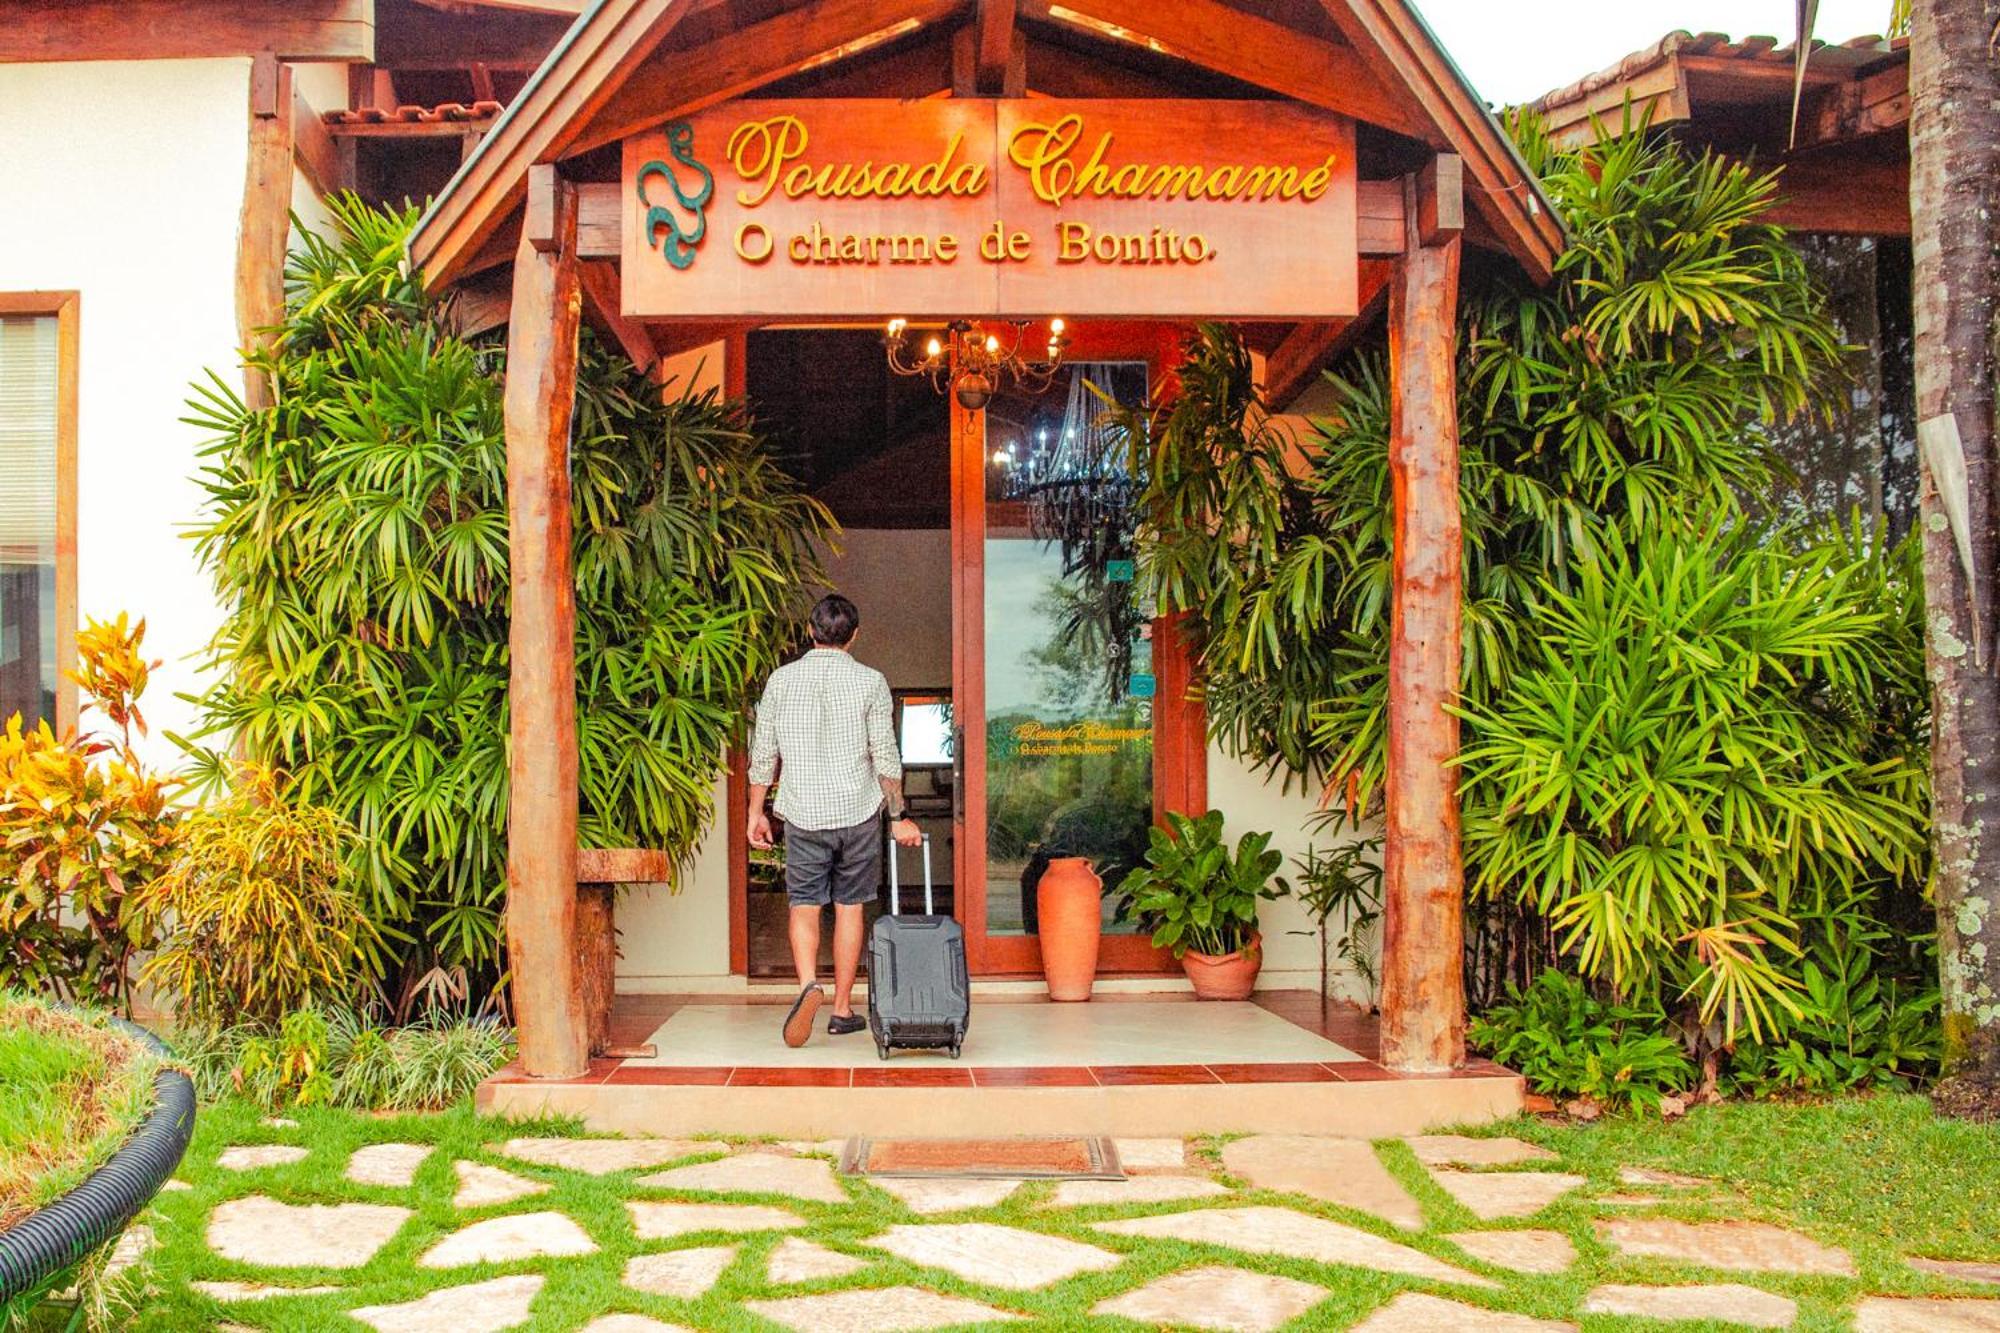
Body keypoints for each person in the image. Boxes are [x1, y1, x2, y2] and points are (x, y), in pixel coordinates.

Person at [747, 594, 922, 1047]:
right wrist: (899, 816)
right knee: (850, 907)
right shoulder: (870, 682)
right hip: (857, 813)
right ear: (855, 635)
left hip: (803, 812)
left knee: (803, 904)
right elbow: (885, 755)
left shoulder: (781, 681)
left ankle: (809, 984)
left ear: (810, 631)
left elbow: (763, 753)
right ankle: (842, 1010)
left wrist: (755, 812)